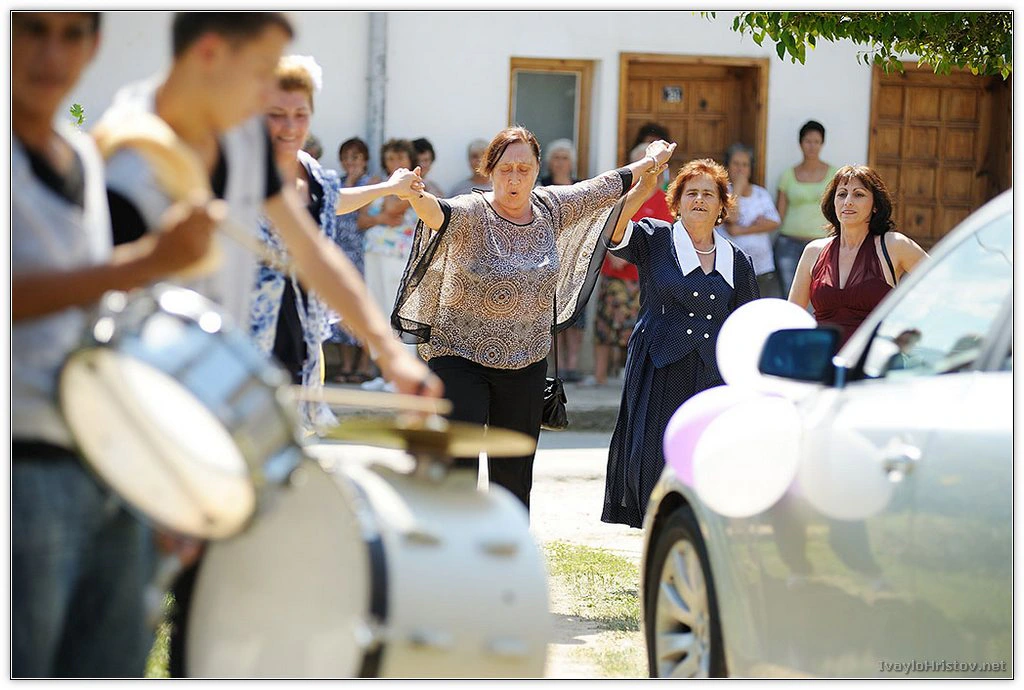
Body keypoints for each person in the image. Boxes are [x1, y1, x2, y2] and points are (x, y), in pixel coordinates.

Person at [11, 12, 222, 677]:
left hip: (106, 464)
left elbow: (99, 323)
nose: (51, 54)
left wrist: (155, 472)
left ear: (95, 46)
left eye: (72, 34)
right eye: (31, 30)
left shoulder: (81, 155)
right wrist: (147, 262)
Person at [99, 13, 440, 400]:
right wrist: (151, 260)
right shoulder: (125, 156)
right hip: (145, 395)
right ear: (210, 54)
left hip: (232, 386)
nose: (268, 93)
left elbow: (311, 251)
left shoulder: (245, 138)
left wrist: (392, 355)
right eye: (261, 72)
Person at [393, 127, 677, 511]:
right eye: (505, 169)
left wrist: (648, 165)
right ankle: (454, 544)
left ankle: (508, 546)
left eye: (523, 169)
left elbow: (602, 188)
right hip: (459, 357)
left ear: (537, 170)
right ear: (489, 171)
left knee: (514, 474)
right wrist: (414, 194)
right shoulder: (471, 211)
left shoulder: (551, 207)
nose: (514, 178)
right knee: (457, 466)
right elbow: (435, 213)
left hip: (525, 363)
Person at [602, 158, 760, 529]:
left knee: (705, 454)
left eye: (709, 194)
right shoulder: (655, 238)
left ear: (722, 205)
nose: (699, 200)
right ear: (677, 202)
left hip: (713, 376)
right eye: (691, 193)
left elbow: (746, 325)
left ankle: (699, 529)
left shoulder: (738, 260)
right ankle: (658, 530)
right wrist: (643, 189)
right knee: (654, 452)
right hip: (660, 367)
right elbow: (612, 232)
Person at [788, 165, 928, 348]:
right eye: (841, 194)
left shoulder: (894, 245)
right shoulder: (813, 251)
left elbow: (943, 281)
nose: (848, 201)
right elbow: (791, 315)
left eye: (858, 194)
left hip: (872, 361)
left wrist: (911, 326)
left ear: (875, 205)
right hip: (822, 360)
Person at [590, 143, 673, 387]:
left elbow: (665, 237)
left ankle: (632, 379)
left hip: (642, 278)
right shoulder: (621, 196)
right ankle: (599, 377)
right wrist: (611, 251)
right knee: (605, 326)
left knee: (634, 330)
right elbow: (603, 227)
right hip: (614, 273)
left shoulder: (665, 201)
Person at [357, 137, 422, 391]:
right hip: (374, 252)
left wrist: (381, 207)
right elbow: (361, 219)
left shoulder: (413, 185)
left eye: (400, 158)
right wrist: (381, 215)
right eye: (391, 158)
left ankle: (403, 376)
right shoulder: (379, 183)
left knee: (398, 312)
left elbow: (394, 209)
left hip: (398, 255)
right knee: (378, 310)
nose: (395, 163)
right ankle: (385, 375)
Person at [327, 136, 379, 383]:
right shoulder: (335, 183)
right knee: (339, 310)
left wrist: (353, 182)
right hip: (337, 252)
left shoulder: (371, 183)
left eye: (355, 157)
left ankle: (364, 366)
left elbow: (367, 214)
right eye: (346, 157)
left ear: (365, 160)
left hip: (361, 253)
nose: (350, 161)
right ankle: (346, 366)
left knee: (363, 308)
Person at [773, 120, 838, 298]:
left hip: (822, 244)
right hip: (788, 243)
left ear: (822, 144)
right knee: (790, 294)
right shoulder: (787, 175)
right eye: (808, 141)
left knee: (821, 295)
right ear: (800, 143)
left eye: (816, 142)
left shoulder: (834, 175)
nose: (812, 146)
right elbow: (779, 215)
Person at [539, 138, 585, 381]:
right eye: (556, 157)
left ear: (572, 162)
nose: (560, 162)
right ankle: (554, 366)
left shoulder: (580, 188)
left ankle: (572, 364)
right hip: (546, 258)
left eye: (564, 158)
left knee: (576, 312)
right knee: (551, 314)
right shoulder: (540, 186)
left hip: (576, 258)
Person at [718, 142, 783, 298]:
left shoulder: (760, 193)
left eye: (745, 165)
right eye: (736, 164)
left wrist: (740, 230)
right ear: (728, 166)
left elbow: (774, 221)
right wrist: (738, 189)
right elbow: (732, 217)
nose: (740, 169)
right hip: (731, 268)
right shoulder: (721, 192)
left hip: (762, 267)